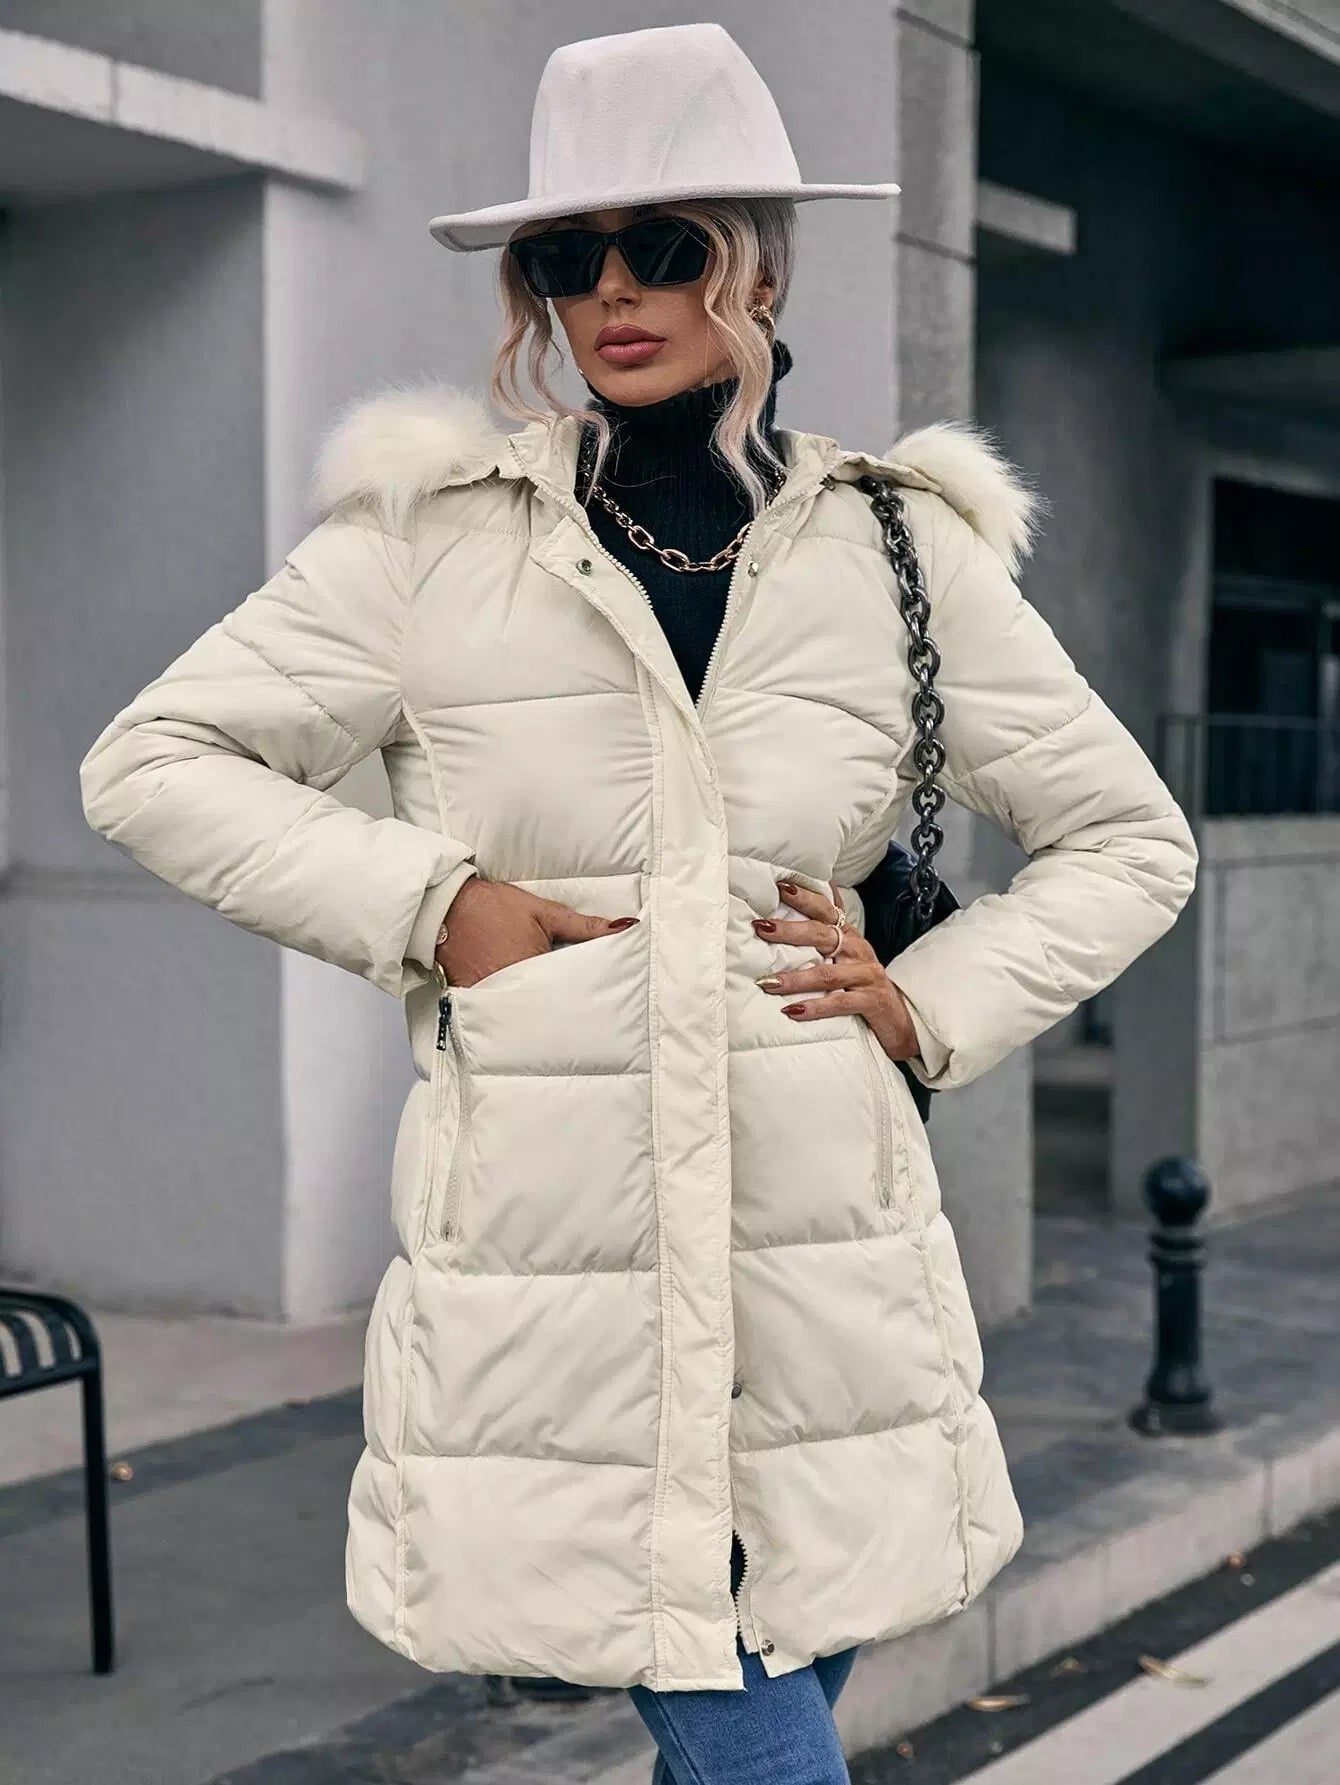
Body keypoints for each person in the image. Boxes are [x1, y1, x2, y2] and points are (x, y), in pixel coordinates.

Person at [78, 23, 1198, 1785]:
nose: (614, 291)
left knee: (758, 1700)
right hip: (564, 1293)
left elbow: (1130, 838)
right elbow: (154, 761)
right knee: (761, 1749)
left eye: (665, 246)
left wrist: (929, 1000)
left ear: (760, 264)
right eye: (567, 257)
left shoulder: (897, 549)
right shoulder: (428, 542)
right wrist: (433, 900)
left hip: (825, 1292)